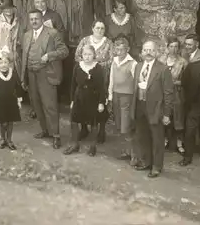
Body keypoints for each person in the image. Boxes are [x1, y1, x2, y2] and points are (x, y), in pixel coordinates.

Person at [20, 10, 69, 149]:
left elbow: (65, 51)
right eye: (31, 19)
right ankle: (45, 130)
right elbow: (24, 56)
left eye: (36, 18)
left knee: (50, 105)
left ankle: (56, 135)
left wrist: (49, 55)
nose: (34, 21)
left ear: (42, 19)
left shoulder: (52, 33)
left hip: (46, 73)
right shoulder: (27, 35)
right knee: (36, 104)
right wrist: (24, 75)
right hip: (31, 73)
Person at [130, 40, 174, 178]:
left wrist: (167, 114)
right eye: (145, 50)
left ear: (156, 52)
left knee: (157, 138)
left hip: (156, 109)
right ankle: (146, 162)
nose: (148, 53)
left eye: (151, 50)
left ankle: (156, 166)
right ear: (142, 52)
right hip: (140, 106)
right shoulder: (138, 66)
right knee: (142, 136)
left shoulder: (163, 69)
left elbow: (168, 93)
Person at [75, 19, 114, 143]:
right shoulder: (85, 41)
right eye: (97, 28)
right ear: (92, 28)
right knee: (83, 102)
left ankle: (101, 130)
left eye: (102, 28)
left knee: (101, 102)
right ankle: (84, 129)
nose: (100, 30)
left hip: (102, 77)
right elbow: (77, 56)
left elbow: (112, 59)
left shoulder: (108, 42)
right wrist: (87, 63)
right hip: (85, 77)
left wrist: (96, 65)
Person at [63, 45, 107, 156]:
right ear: (81, 55)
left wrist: (101, 102)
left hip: (93, 98)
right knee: (74, 119)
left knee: (93, 123)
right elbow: (73, 85)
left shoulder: (98, 68)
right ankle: (74, 144)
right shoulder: (78, 67)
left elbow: (102, 87)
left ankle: (92, 147)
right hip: (79, 97)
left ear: (94, 55)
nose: (87, 57)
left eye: (90, 54)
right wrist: (72, 100)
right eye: (85, 54)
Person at [108, 35, 138, 163]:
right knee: (119, 126)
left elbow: (136, 82)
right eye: (117, 49)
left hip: (127, 97)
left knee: (126, 127)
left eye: (122, 49)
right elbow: (111, 80)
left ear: (128, 49)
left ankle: (135, 155)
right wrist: (109, 97)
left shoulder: (133, 63)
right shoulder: (114, 61)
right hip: (116, 95)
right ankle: (126, 151)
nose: (119, 52)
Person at [0, 46, 23, 150]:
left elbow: (18, 86)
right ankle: (2, 138)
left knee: (10, 121)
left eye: (6, 62)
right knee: (3, 122)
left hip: (11, 102)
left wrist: (19, 99)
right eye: (1, 63)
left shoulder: (13, 73)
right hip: (0, 102)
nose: (4, 65)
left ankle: (9, 139)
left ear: (9, 63)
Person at [158, 37, 188, 154]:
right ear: (167, 47)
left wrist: (175, 82)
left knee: (178, 117)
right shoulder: (161, 60)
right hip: (163, 93)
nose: (173, 49)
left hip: (177, 93)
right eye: (171, 46)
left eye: (176, 46)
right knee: (164, 115)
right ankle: (164, 140)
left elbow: (186, 80)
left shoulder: (183, 62)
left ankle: (179, 142)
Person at [0, 0, 21, 79]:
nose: (8, 11)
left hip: (11, 55)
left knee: (10, 77)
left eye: (10, 8)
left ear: (13, 8)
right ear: (2, 9)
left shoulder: (17, 21)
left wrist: (16, 52)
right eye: (5, 9)